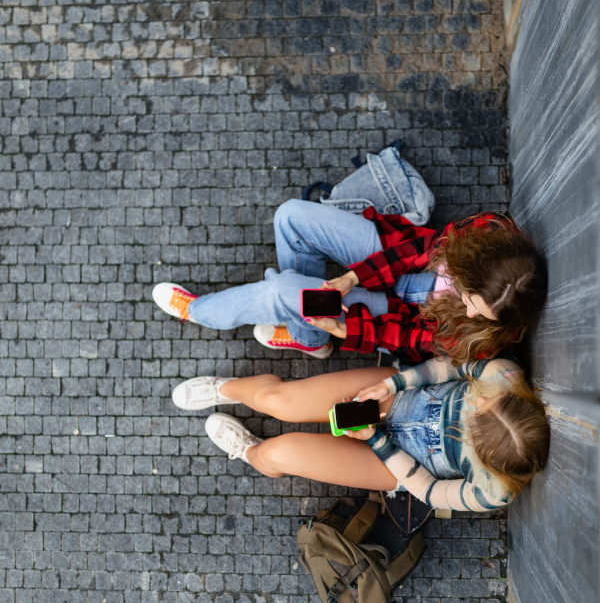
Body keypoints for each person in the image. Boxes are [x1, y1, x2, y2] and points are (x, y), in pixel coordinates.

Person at [152, 199, 546, 365]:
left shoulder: (484, 335)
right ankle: (309, 334)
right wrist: (351, 278)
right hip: (403, 263)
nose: (471, 310)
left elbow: (408, 337)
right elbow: (416, 248)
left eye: (480, 312)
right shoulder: (489, 232)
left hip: (399, 312)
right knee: (291, 217)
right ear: (470, 267)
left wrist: (342, 326)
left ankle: (202, 312)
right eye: (472, 296)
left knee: (281, 292)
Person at [173, 355, 550, 512]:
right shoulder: (502, 376)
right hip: (398, 399)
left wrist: (377, 440)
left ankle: (252, 452)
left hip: (398, 465)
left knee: (277, 455)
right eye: (478, 402)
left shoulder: (494, 491)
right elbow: (443, 370)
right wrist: (391, 385)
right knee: (278, 400)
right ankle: (225, 388)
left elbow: (430, 492)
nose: (476, 404)